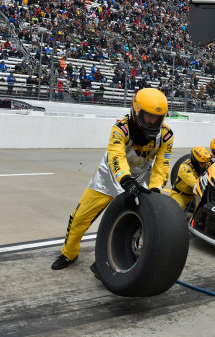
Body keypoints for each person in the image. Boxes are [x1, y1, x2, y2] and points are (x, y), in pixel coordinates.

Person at [51, 88, 174, 270]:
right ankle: (69, 254)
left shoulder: (166, 135)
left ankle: (109, 262)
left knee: (132, 224)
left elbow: (162, 165)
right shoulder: (120, 129)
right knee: (79, 218)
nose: (152, 122)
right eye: (148, 116)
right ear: (136, 110)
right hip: (108, 177)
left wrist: (155, 189)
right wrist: (126, 181)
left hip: (139, 181)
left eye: (157, 118)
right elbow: (116, 156)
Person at [170, 146, 211, 211]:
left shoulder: (207, 163)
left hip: (196, 195)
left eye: (206, 162)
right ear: (195, 161)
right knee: (177, 211)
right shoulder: (184, 168)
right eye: (202, 163)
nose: (205, 165)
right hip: (181, 195)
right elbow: (196, 183)